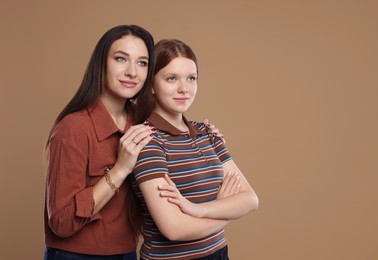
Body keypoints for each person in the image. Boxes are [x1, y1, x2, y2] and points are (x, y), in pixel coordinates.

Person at [131, 39, 259, 260]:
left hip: (219, 253)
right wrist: (226, 210)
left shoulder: (207, 133)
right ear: (151, 85)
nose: (184, 88)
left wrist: (197, 210)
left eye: (191, 78)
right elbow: (174, 229)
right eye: (172, 78)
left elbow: (250, 200)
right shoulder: (148, 140)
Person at [43, 24, 156, 260]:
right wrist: (120, 169)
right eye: (121, 59)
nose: (132, 72)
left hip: (127, 252)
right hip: (75, 255)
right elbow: (61, 222)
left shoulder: (142, 122)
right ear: (101, 64)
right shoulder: (72, 128)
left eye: (142, 63)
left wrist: (204, 133)